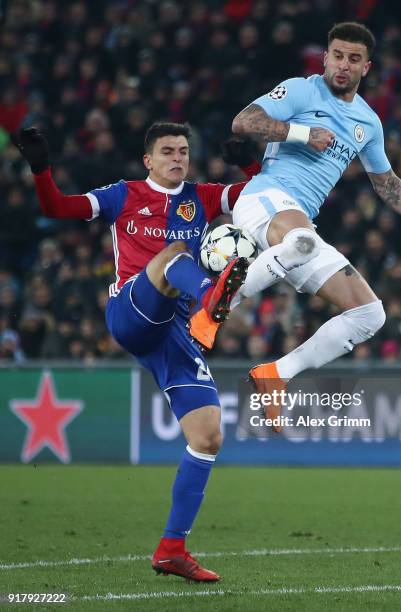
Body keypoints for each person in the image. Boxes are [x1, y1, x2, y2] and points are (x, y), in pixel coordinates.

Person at [11, 122, 259, 582]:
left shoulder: (203, 196)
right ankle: (212, 296)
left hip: (174, 332)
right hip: (131, 310)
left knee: (207, 436)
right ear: (148, 160)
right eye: (167, 151)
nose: (177, 158)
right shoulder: (122, 194)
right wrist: (41, 168)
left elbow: (263, 195)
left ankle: (171, 549)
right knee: (172, 254)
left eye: (184, 150)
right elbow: (57, 206)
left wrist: (248, 162)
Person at [227, 21, 401, 431]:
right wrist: (302, 133)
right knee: (302, 240)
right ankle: (218, 304)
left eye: (354, 59)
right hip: (265, 199)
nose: (343, 65)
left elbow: (386, 181)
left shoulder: (368, 122)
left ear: (367, 67)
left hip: (299, 228)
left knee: (369, 314)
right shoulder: (301, 89)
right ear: (326, 58)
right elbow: (244, 122)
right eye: (338, 56)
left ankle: (276, 375)